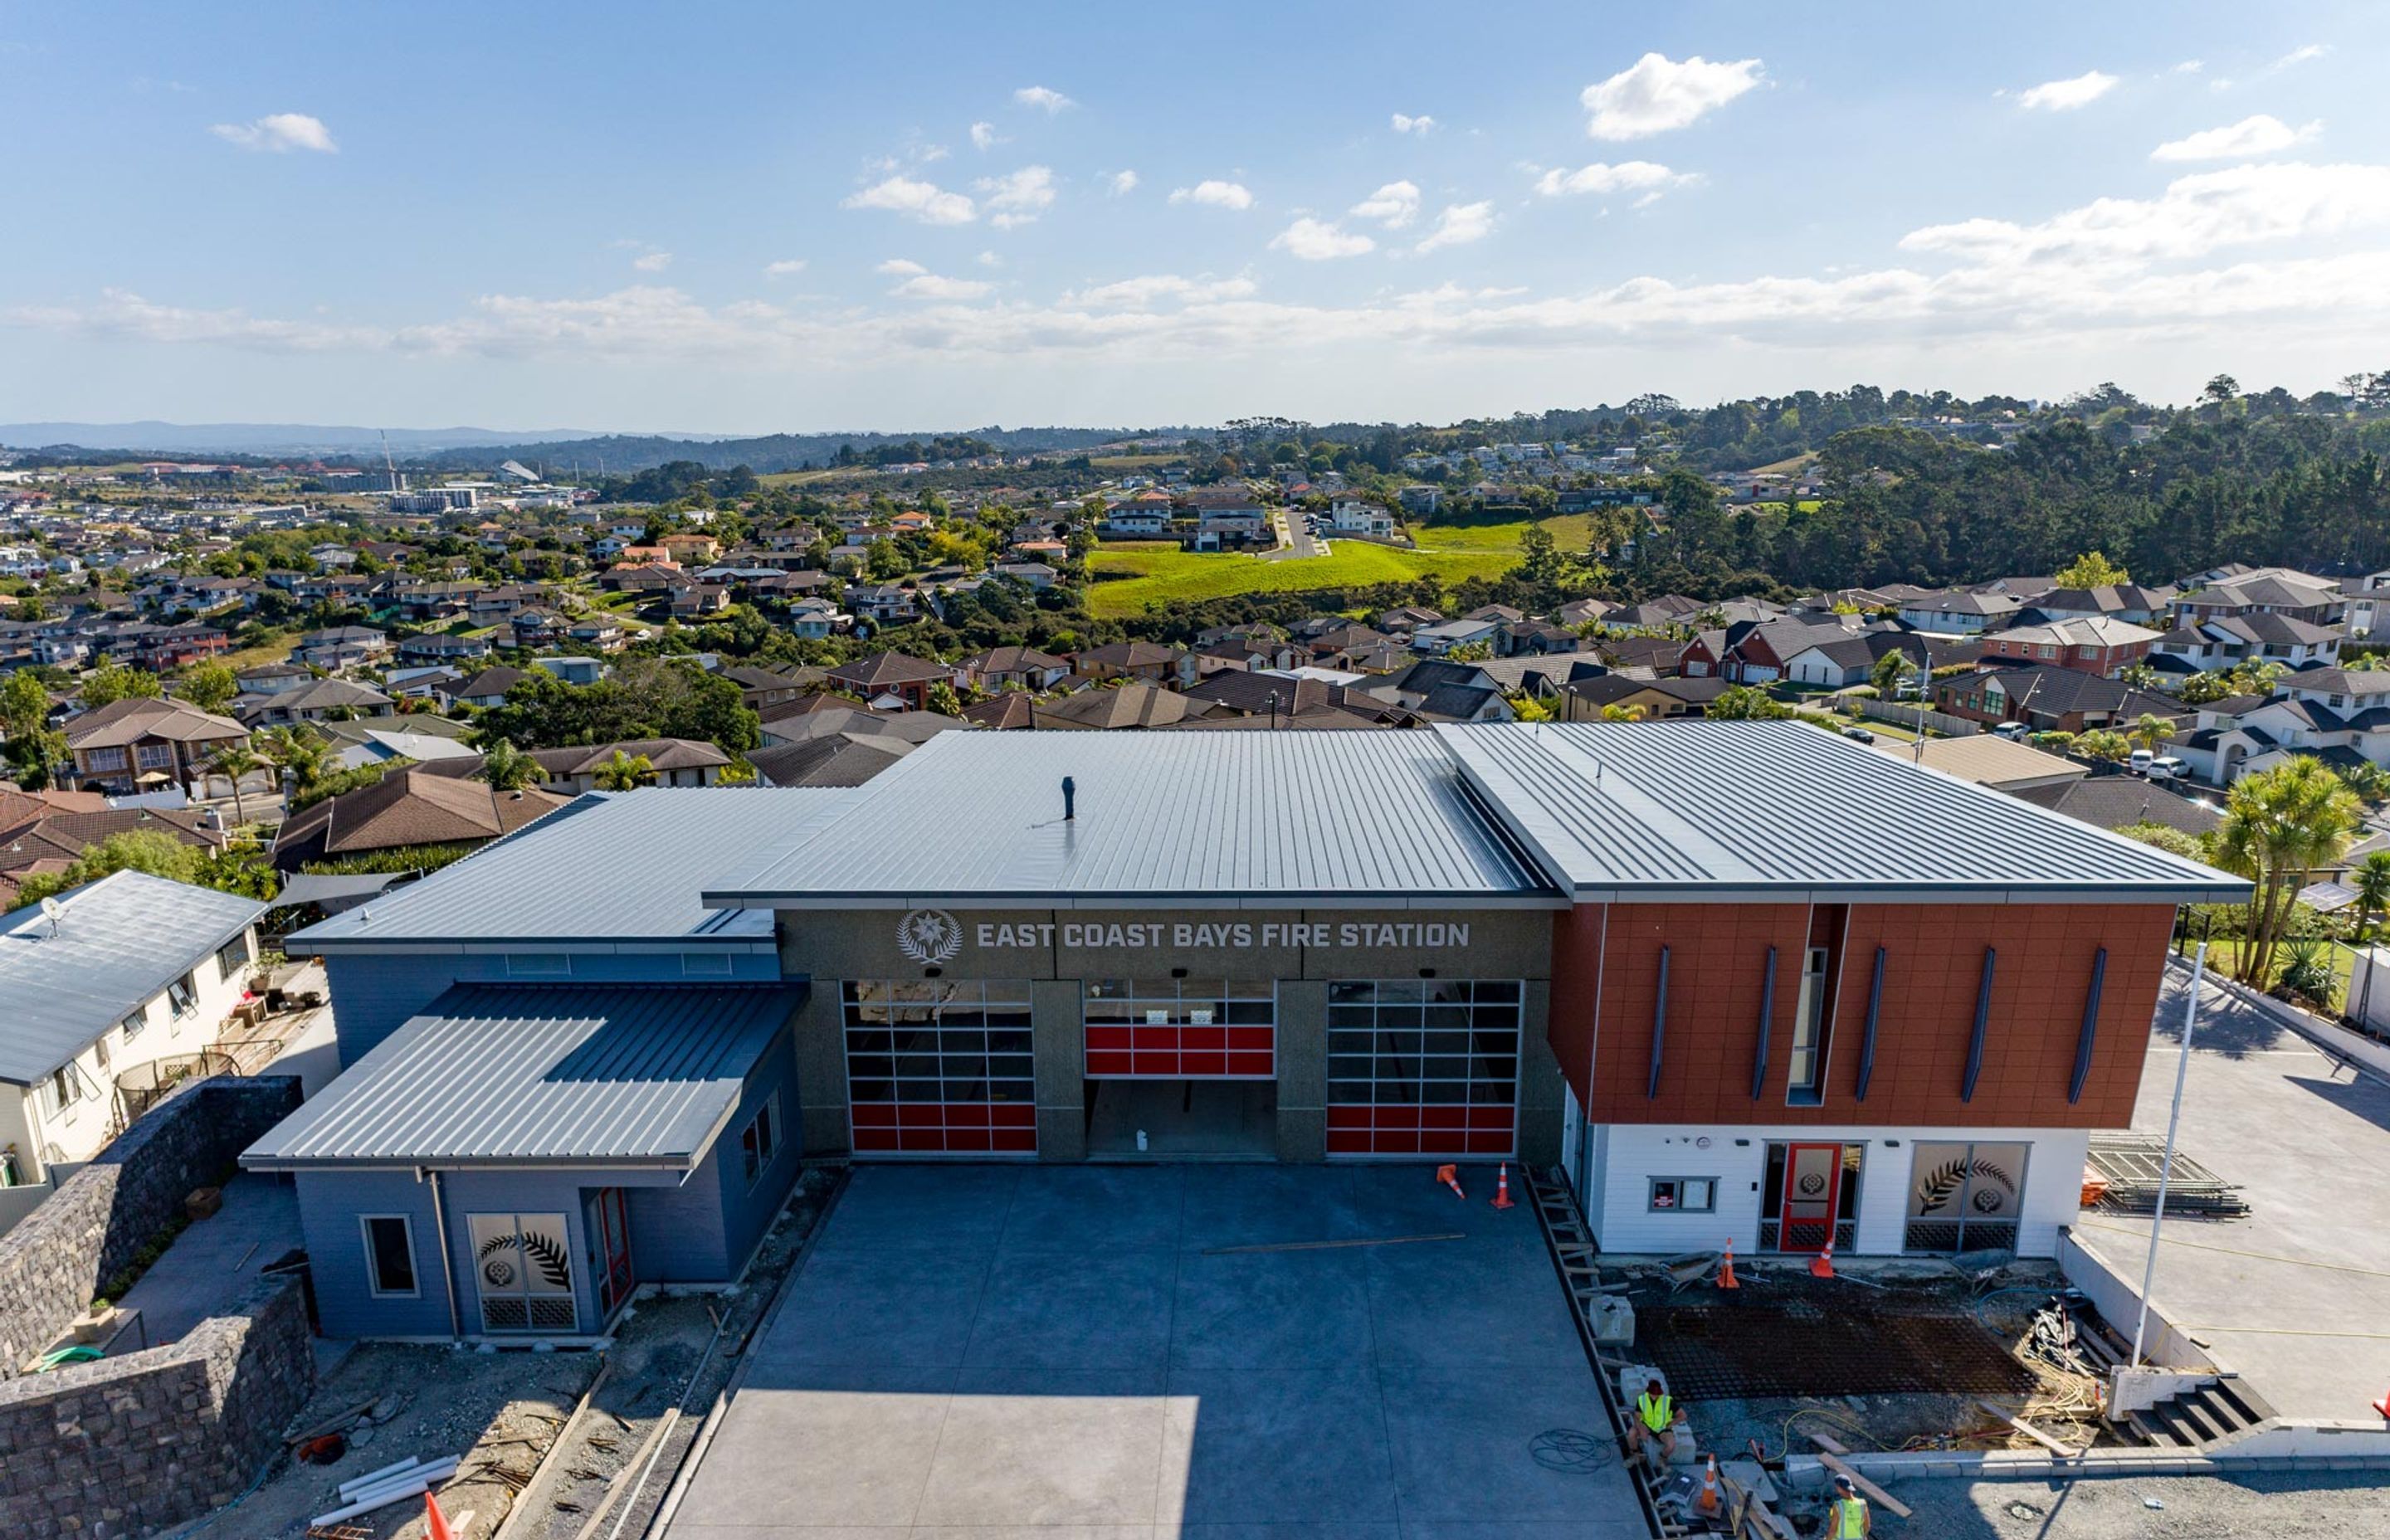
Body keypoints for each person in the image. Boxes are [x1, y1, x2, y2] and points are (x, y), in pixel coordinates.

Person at [1626, 1377, 1677, 1469]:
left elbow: (1682, 1415)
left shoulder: (1668, 1401)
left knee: (1671, 1445)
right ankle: (1635, 1456)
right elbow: (1636, 1416)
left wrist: (1670, 1424)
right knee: (1631, 1434)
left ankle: (1661, 1461)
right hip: (1646, 1426)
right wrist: (1641, 1429)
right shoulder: (1642, 1400)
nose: (1654, 1397)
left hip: (1661, 1429)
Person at [1828, 1473, 1871, 1538]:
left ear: (1839, 1488)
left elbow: (1833, 1529)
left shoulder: (1838, 1505)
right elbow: (1867, 1526)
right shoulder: (1862, 1504)